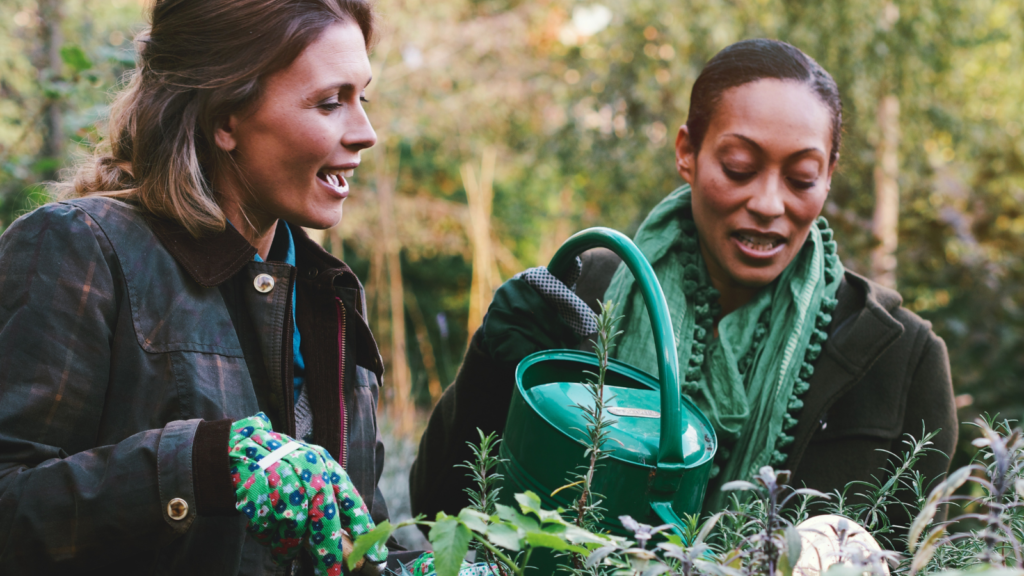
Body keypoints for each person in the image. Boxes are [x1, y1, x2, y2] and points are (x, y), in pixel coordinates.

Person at [410, 39, 958, 535]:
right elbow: (439, 511)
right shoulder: (587, 294)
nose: (769, 204)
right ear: (687, 152)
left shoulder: (899, 357)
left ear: (831, 173)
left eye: (801, 178)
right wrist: (490, 370)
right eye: (740, 167)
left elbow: (923, 556)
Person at [0, 0, 423, 573]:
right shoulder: (80, 249)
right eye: (330, 102)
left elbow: (356, 543)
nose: (366, 133)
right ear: (225, 119)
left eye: (361, 98)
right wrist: (200, 467)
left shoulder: (330, 296)